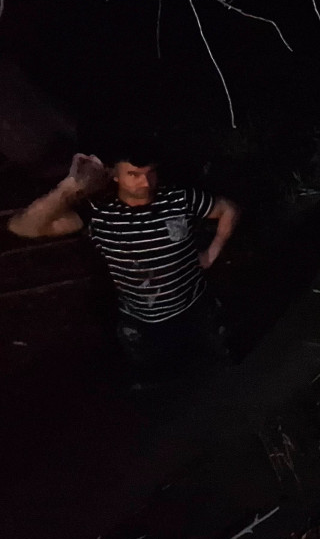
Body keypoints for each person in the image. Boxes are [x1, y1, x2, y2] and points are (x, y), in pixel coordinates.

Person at [5, 146, 240, 381]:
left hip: (195, 306)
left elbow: (227, 209)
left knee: (225, 363)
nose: (145, 183)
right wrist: (70, 186)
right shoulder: (99, 214)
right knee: (157, 378)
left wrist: (212, 252)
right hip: (141, 320)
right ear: (114, 175)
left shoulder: (179, 198)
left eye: (150, 173)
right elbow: (24, 227)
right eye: (133, 175)